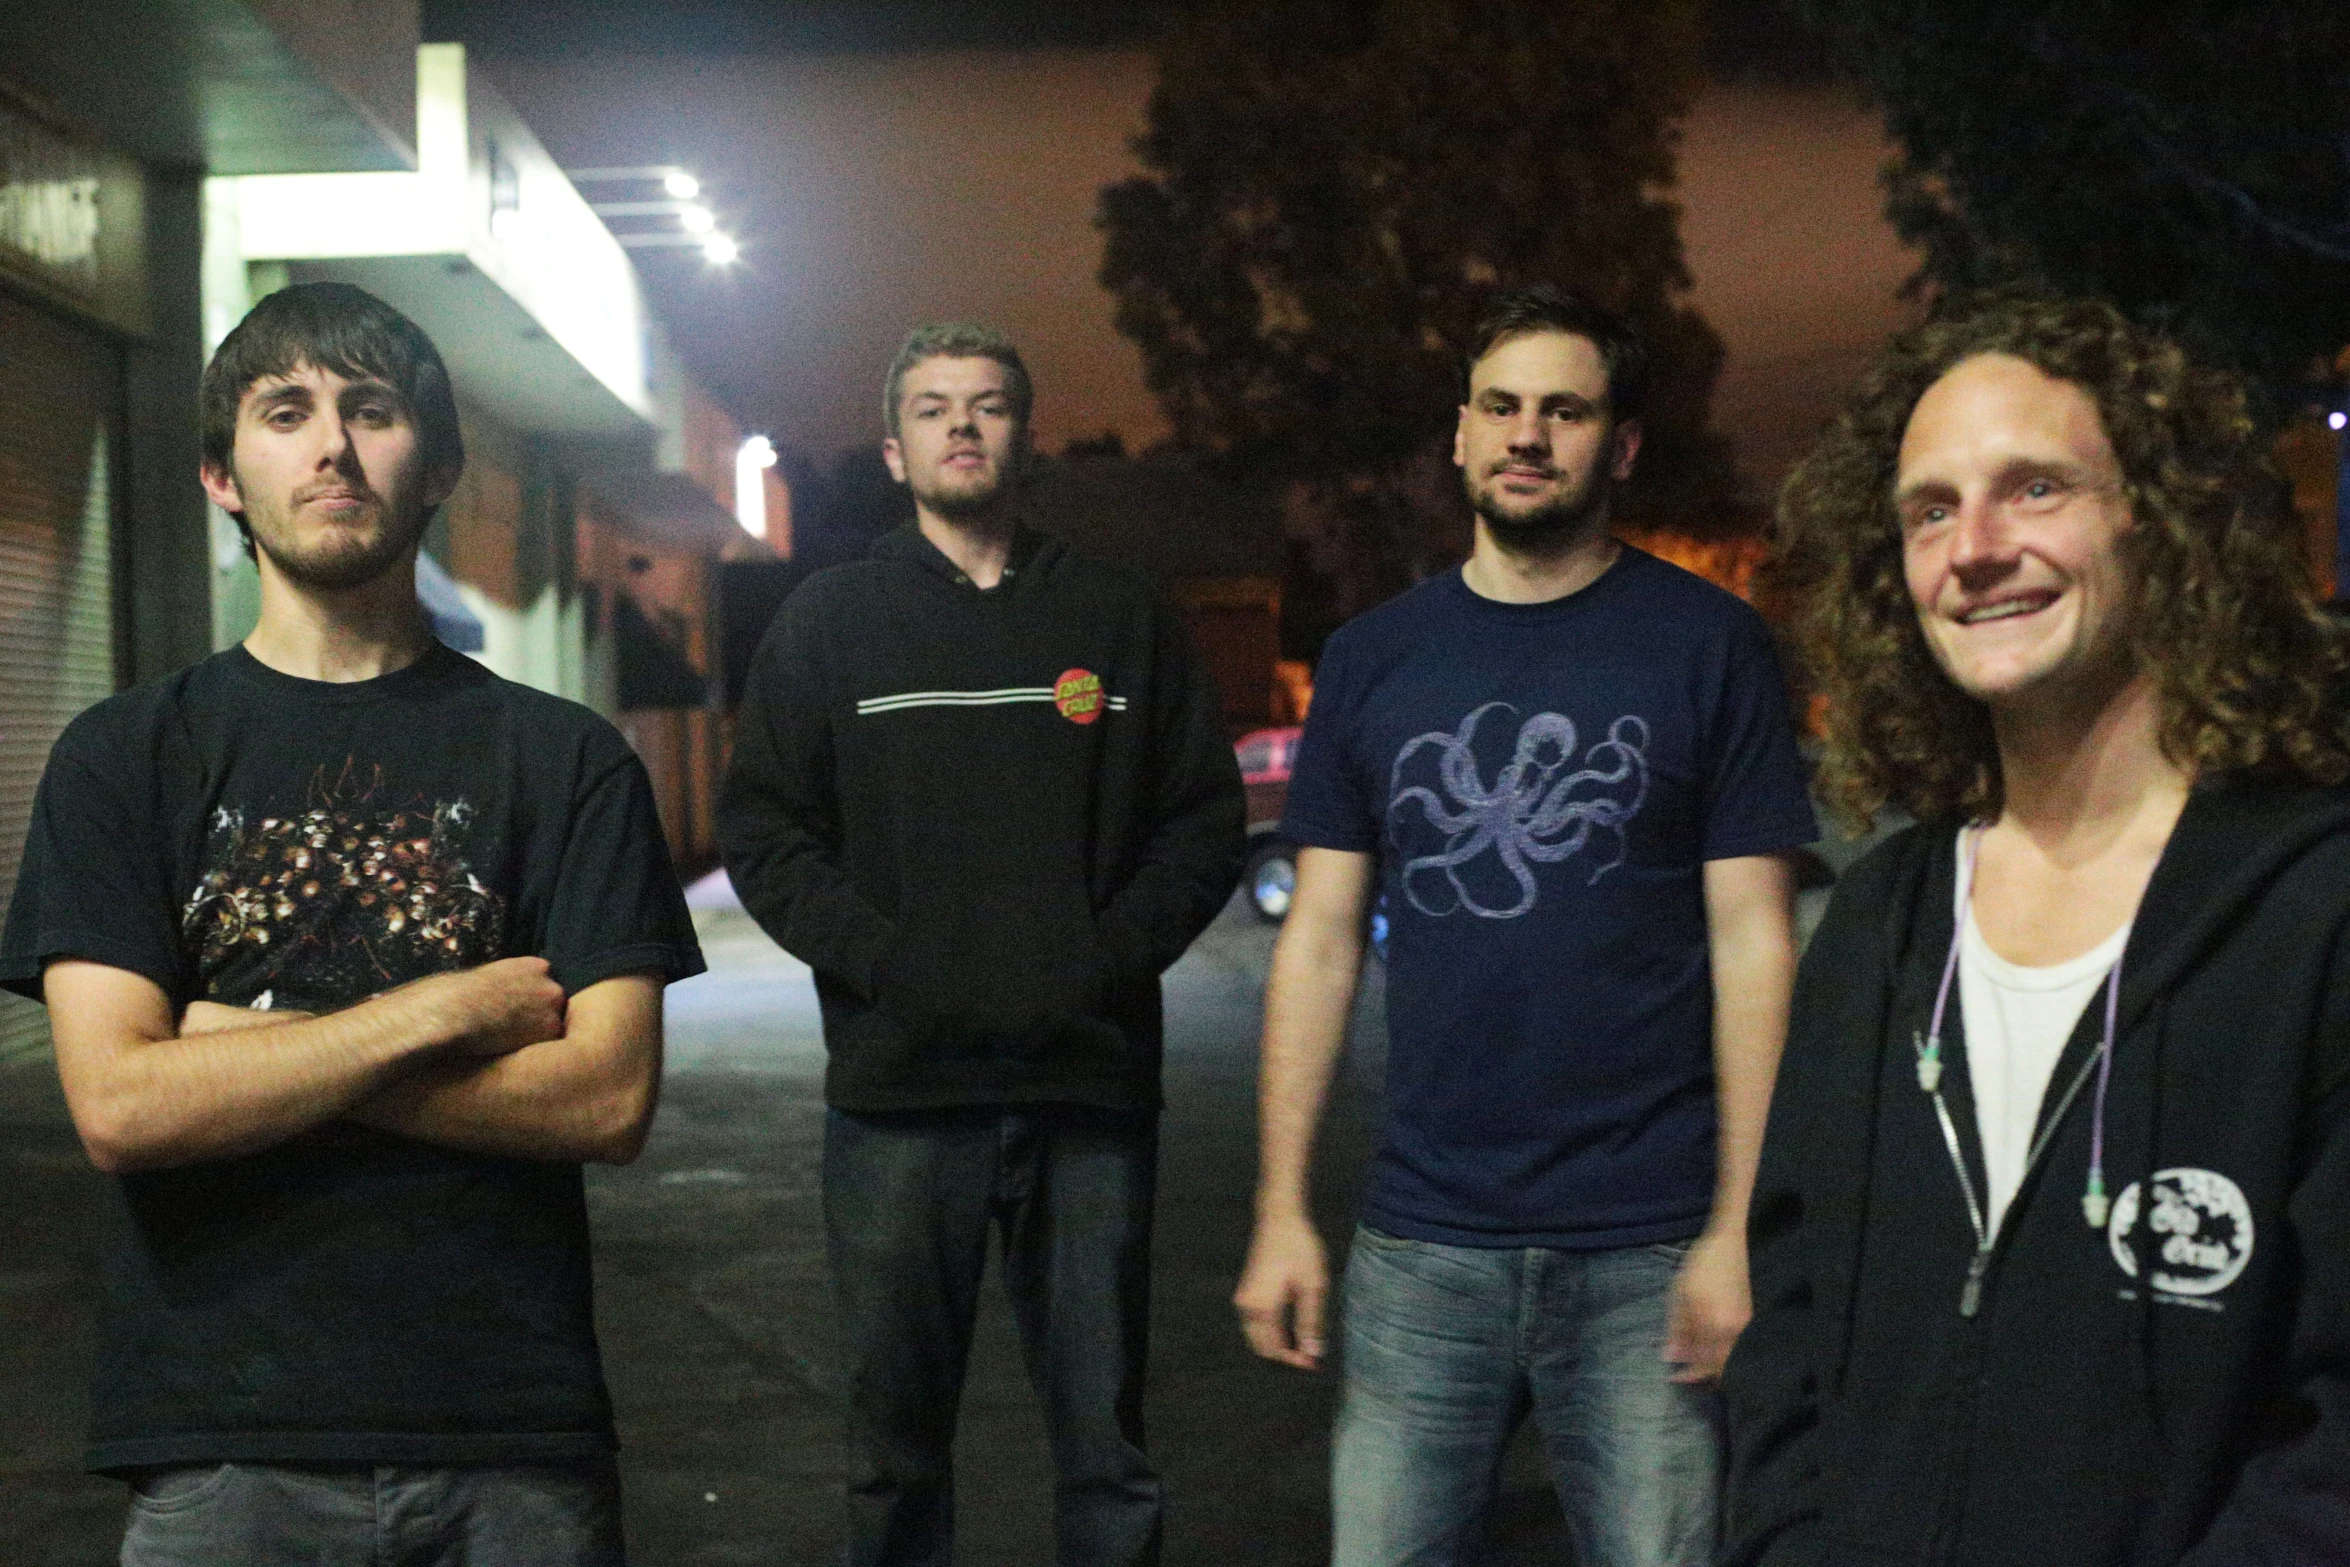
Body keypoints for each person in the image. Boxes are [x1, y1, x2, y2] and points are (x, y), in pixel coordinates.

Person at [0, 281, 704, 1565]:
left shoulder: (564, 760)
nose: (331, 445)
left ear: (436, 466)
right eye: (286, 412)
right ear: (222, 473)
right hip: (220, 1440)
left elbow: (604, 1102)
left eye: (370, 412)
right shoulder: (124, 758)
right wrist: (440, 1013)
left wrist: (231, 1046)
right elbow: (121, 1108)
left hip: (510, 1436)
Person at [1722, 294, 2350, 1564]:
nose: (1976, 547)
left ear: (2154, 521)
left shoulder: (2314, 916)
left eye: (2035, 488)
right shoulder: (1879, 930)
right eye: (1930, 509)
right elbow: (1786, 1329)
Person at [1234, 284, 1817, 1567]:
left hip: (1650, 1248)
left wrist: (1737, 1230)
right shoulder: (1375, 659)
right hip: (1422, 1246)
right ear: (1459, 435)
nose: (1527, 434)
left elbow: (1754, 945)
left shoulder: (1709, 646)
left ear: (1619, 447)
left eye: (1565, 409)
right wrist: (1282, 1206)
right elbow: (1320, 937)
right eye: (1501, 405)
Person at [716, 321, 1245, 1567]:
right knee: (893, 1456)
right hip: (902, 1101)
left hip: (1086, 1094)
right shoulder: (829, 622)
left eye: (990, 404)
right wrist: (885, 960)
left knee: (1106, 1455)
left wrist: (1106, 959)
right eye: (935, 408)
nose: (963, 425)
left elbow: (1202, 821)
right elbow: (766, 827)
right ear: (894, 451)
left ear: (1025, 435)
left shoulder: (1118, 619)